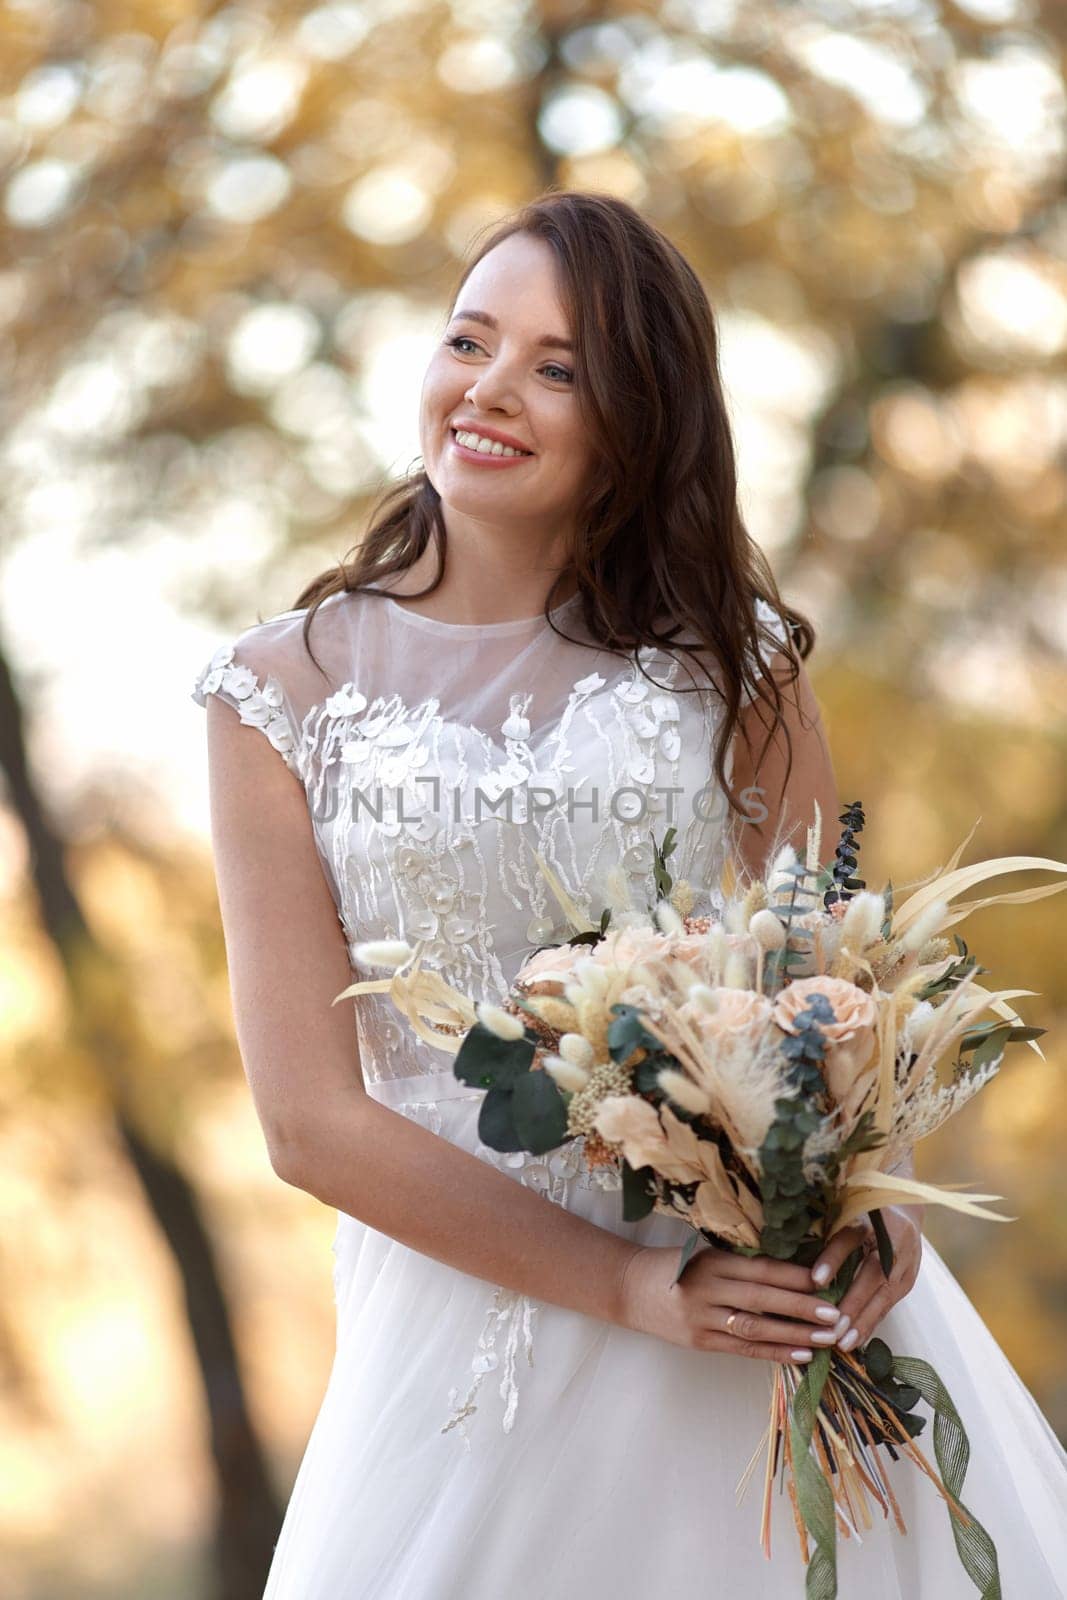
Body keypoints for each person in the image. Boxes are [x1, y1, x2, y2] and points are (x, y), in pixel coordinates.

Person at [191, 191, 1067, 1597]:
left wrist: (871, 1222)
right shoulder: (280, 693)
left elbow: (837, 1006)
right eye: (468, 340)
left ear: (637, 421)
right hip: (470, 1345)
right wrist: (626, 1290)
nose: (488, 388)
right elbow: (307, 1120)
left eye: (558, 366)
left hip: (762, 1320)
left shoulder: (739, 664)